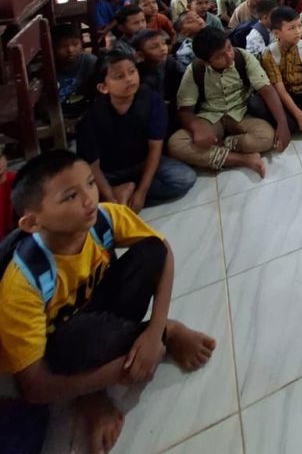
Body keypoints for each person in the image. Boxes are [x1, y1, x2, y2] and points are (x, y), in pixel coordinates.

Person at [0, 151, 215, 454]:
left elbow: (162, 251)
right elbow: (33, 386)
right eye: (70, 196)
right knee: (80, 338)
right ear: (33, 223)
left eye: (90, 183)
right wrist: (120, 373)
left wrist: (155, 331)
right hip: (63, 345)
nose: (89, 199)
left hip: (101, 311)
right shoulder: (22, 285)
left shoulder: (104, 217)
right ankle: (93, 395)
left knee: (151, 251)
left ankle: (164, 331)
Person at [77, 51, 196, 211]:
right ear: (103, 87)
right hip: (110, 172)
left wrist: (141, 192)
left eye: (132, 71)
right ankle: (117, 193)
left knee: (185, 178)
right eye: (119, 76)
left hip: (142, 164)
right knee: (79, 197)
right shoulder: (92, 117)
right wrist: (110, 196)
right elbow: (93, 167)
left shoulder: (152, 101)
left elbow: (155, 149)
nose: (129, 79)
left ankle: (127, 193)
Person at [170, 27, 288, 174]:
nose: (229, 55)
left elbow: (266, 89)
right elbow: (184, 111)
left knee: (266, 137)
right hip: (210, 117)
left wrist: (282, 123)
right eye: (220, 56)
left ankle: (219, 146)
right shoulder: (195, 69)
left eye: (229, 47)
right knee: (175, 144)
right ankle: (243, 159)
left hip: (242, 112)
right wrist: (197, 127)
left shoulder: (242, 57)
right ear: (205, 62)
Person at [134, 29, 184, 135]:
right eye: (154, 47)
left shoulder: (171, 63)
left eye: (164, 43)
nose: (162, 48)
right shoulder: (138, 74)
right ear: (140, 55)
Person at [52, 24, 97, 124]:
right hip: (61, 118)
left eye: (75, 44)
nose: (70, 50)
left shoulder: (90, 62)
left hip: (88, 115)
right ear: (53, 47)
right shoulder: (50, 68)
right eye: (63, 47)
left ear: (81, 43)